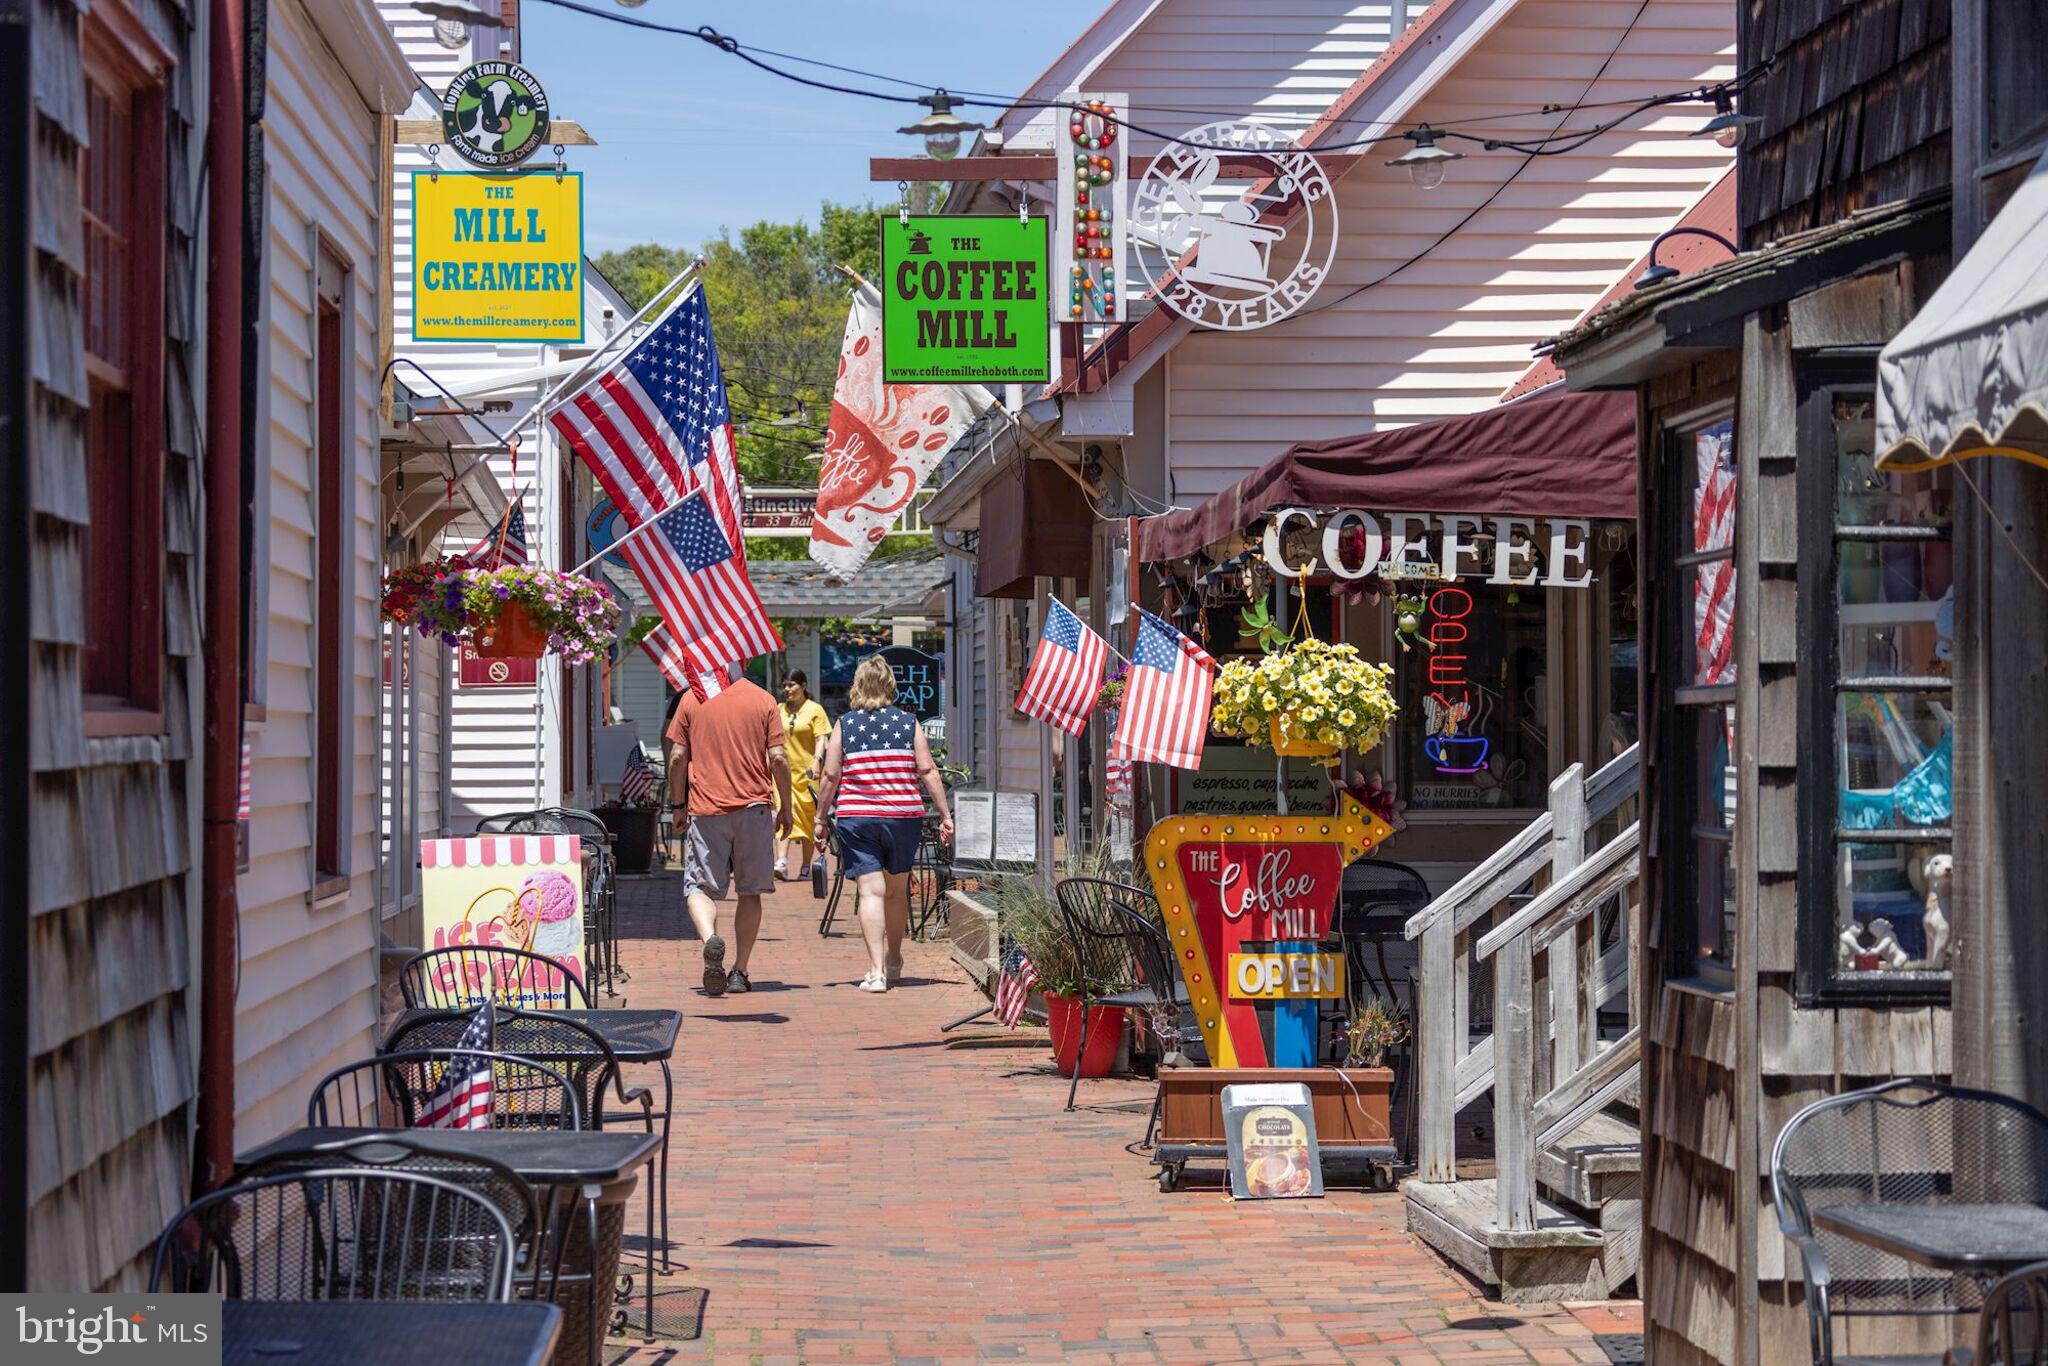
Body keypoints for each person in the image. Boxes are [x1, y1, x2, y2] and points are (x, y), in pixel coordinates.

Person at [814, 655, 953, 993]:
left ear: (857, 687)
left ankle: (875, 972)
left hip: (858, 818)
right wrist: (946, 815)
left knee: (870, 891)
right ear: (890, 686)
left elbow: (831, 775)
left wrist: (819, 819)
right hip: (902, 817)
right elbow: (927, 770)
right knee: (895, 891)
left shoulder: (845, 725)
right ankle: (893, 960)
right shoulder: (908, 723)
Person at [666, 662, 792, 996]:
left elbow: (678, 757)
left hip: (707, 810)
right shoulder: (763, 700)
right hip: (754, 809)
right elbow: (778, 758)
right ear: (745, 661)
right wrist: (787, 807)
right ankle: (740, 971)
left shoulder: (692, 699)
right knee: (750, 892)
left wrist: (678, 804)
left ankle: (710, 939)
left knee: (698, 887)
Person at [775, 670, 831, 880]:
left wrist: (817, 761)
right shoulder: (779, 709)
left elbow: (821, 738)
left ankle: (806, 865)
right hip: (783, 771)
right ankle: (781, 861)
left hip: (808, 772)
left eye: (792, 685)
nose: (787, 689)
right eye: (785, 686)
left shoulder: (814, 709)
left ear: (804, 685)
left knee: (808, 817)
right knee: (782, 810)